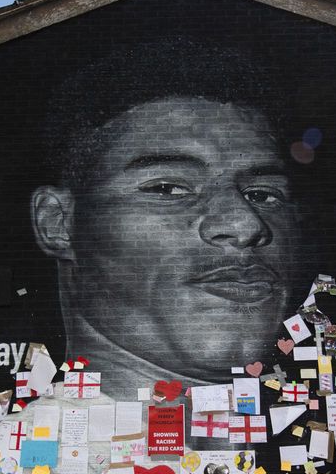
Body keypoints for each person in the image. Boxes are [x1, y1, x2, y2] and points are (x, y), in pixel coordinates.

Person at [31, 40, 305, 400]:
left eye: (263, 195)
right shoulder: (13, 456)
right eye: (168, 189)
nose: (245, 224)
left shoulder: (327, 447)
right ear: (58, 222)